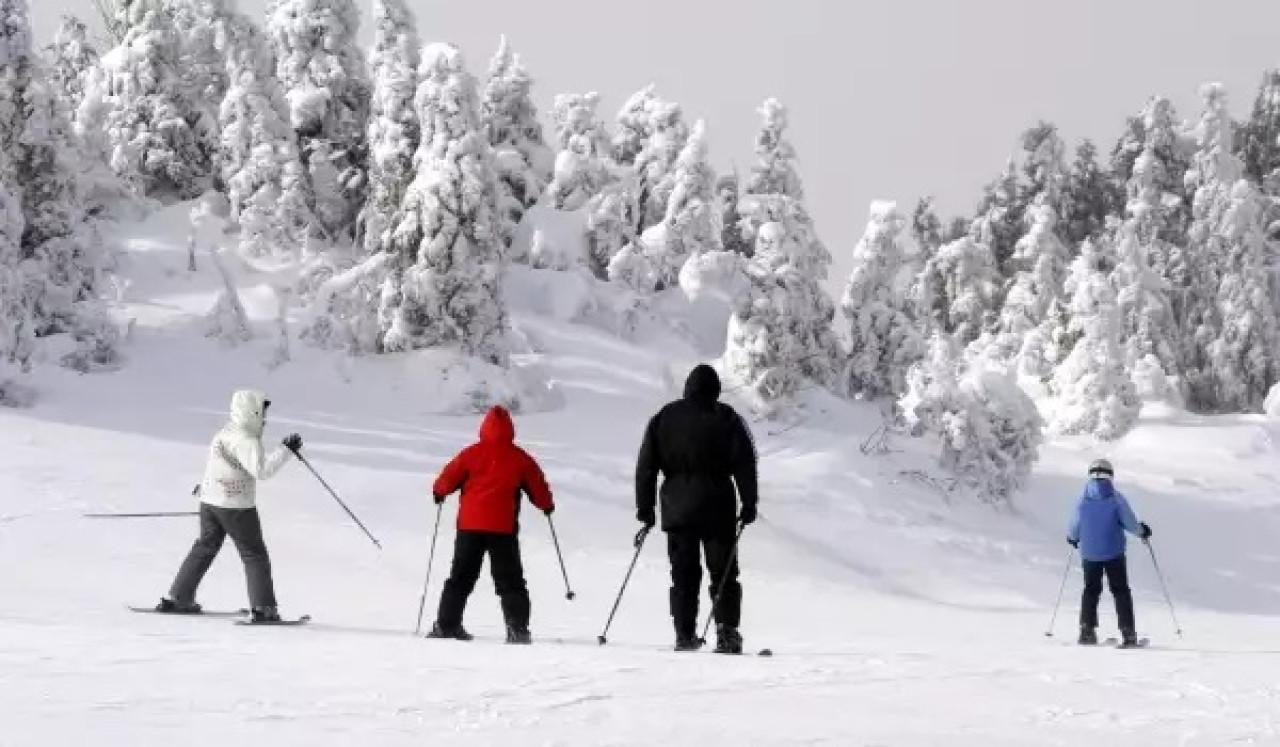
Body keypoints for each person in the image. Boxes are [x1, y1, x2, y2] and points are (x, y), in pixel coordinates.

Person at [635, 364, 758, 653]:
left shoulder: (664, 417)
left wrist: (646, 508)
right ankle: (727, 632)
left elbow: (646, 467)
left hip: (678, 509)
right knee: (724, 573)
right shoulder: (727, 418)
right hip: (718, 508)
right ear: (715, 390)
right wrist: (750, 502)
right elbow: (745, 463)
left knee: (683, 575)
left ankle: (684, 634)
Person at [157, 390, 302, 622]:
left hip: (210, 503)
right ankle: (264, 608)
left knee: (204, 547)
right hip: (236, 506)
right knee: (254, 554)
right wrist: (286, 451)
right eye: (262, 411)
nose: (265, 416)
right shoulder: (247, 439)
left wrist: (206, 489)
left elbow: (215, 465)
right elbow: (262, 471)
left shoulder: (225, 432)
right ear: (252, 411)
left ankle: (179, 597)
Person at [427, 405, 554, 644]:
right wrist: (546, 505)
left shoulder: (471, 454)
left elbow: (448, 477)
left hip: (469, 527)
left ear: (484, 427)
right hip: (502, 528)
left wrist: (439, 492)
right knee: (510, 580)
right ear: (510, 429)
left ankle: (446, 625)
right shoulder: (520, 458)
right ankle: (517, 628)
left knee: (461, 577)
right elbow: (537, 485)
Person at [1067, 458, 1152, 647]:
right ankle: (1128, 634)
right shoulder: (1116, 498)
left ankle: (1086, 631)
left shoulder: (1082, 498)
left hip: (1089, 554)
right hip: (1113, 552)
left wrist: (1072, 538)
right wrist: (1142, 531)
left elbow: (1074, 524)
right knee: (1120, 590)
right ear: (1110, 475)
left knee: (1091, 590)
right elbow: (1129, 522)